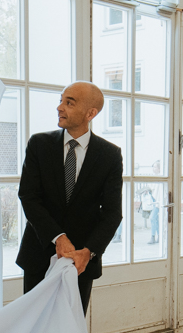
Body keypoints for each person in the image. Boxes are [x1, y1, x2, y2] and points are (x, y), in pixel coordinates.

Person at [17, 81, 123, 313]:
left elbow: (113, 213)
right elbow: (28, 196)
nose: (60, 107)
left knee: (70, 332)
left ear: (90, 113)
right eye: (61, 100)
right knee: (32, 330)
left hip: (81, 262)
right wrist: (58, 237)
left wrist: (89, 252)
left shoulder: (110, 155)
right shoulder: (39, 144)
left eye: (69, 102)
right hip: (39, 253)